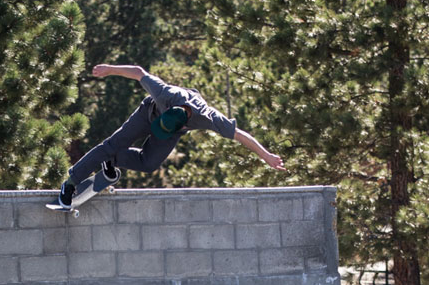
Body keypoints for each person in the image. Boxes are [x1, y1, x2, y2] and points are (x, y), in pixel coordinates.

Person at [53, 63, 285, 208]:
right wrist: (109, 70)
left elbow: (240, 134)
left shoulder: (208, 118)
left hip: (172, 129)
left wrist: (267, 156)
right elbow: (138, 72)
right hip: (148, 112)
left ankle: (112, 161)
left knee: (149, 163)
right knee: (113, 143)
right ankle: (71, 182)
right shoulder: (165, 93)